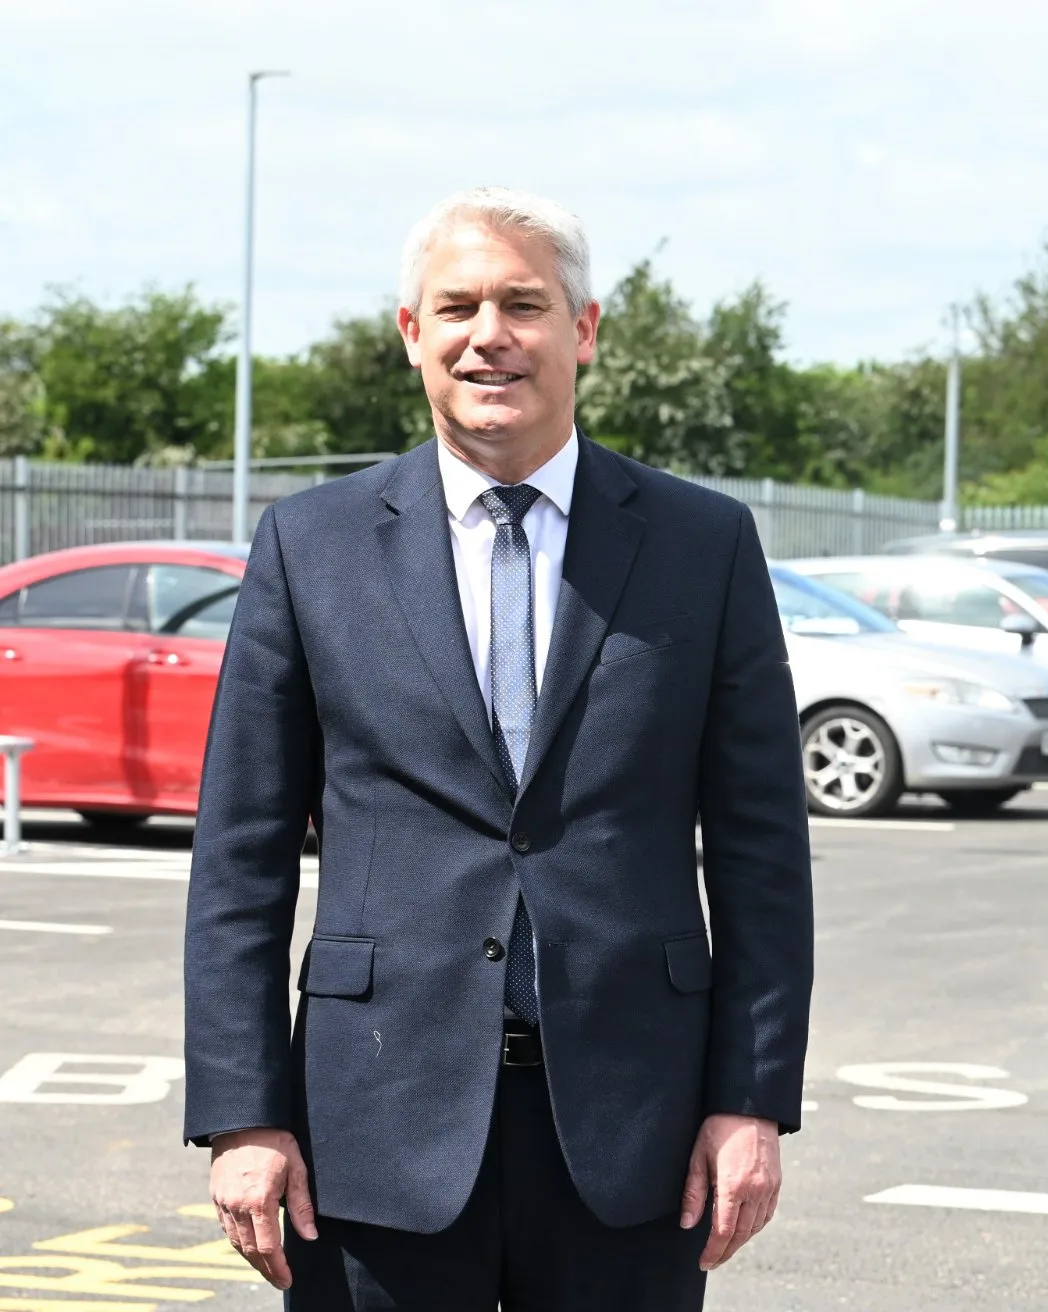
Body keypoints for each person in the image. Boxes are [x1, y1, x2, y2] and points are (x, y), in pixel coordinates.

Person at [182, 186, 814, 1310]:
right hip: (370, 1131)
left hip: (637, 1132)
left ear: (584, 330)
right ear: (411, 333)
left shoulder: (702, 544)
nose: (491, 335)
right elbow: (241, 853)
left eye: (523, 303)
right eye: (458, 304)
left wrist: (750, 1098)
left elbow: (762, 848)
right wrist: (243, 1112)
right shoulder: (310, 546)